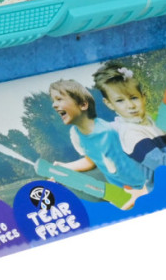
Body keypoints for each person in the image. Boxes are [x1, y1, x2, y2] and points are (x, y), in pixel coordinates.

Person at [48, 79, 148, 209]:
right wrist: (65, 167)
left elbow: (146, 158)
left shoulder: (113, 130)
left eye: (59, 99)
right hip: (122, 192)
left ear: (83, 105)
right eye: (53, 101)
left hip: (144, 188)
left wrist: (143, 190)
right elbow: (91, 160)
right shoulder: (76, 135)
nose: (54, 105)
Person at [92, 63, 166, 190]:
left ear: (143, 97)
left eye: (134, 98)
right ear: (109, 104)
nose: (130, 106)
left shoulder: (152, 120)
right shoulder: (130, 134)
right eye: (120, 100)